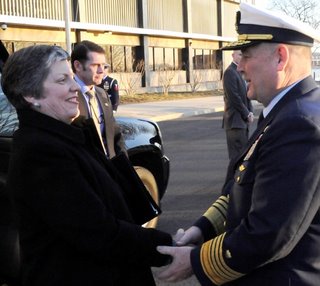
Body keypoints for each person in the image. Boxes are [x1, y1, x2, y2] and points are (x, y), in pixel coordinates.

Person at [157, 3, 320, 285]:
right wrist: (204, 227)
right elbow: (242, 186)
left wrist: (196, 261)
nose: (240, 65)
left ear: (280, 58)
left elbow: (268, 234)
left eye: (246, 55)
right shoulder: (289, 110)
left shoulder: (299, 123)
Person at [1, 45, 173, 286]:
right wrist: (170, 248)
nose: (74, 87)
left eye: (71, 77)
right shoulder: (41, 153)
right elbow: (99, 232)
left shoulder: (68, 135)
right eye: (62, 80)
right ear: (30, 94)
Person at [71, 40, 125, 158]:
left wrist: (123, 168)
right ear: (78, 66)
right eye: (96, 65)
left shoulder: (102, 94)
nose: (102, 71)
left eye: (103, 65)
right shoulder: (67, 95)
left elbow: (115, 135)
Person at [222, 50, 253, 160]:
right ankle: (232, 178)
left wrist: (250, 112)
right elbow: (234, 97)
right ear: (233, 55)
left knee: (242, 156)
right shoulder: (230, 72)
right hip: (235, 122)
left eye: (243, 55)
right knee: (236, 157)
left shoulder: (240, 72)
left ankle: (238, 177)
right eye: (239, 54)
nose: (241, 57)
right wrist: (246, 114)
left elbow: (246, 95)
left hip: (242, 122)